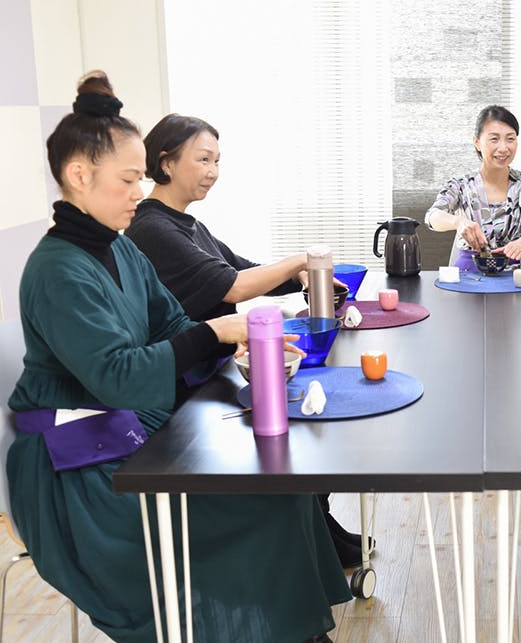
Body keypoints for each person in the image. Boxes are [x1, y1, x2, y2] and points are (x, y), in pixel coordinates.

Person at [5, 71, 350, 643]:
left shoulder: (120, 248)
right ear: (79, 176)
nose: (139, 192)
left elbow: (170, 324)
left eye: (140, 177)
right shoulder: (58, 270)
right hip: (77, 468)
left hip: (126, 428)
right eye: (128, 179)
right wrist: (215, 331)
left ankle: (295, 632)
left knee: (278, 485)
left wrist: (231, 338)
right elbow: (118, 377)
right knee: (260, 502)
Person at [125, 113, 370, 569]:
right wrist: (300, 260)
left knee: (313, 414)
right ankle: (308, 538)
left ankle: (318, 527)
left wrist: (298, 276)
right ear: (166, 162)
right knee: (302, 425)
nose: (213, 171)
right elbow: (234, 287)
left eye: (217, 161)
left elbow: (240, 268)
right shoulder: (152, 229)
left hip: (212, 368)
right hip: (184, 387)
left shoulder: (186, 225)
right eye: (203, 159)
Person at [425, 105, 521, 270]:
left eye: (510, 139)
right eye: (494, 139)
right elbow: (432, 216)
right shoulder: (460, 184)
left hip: (516, 273)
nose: (503, 148)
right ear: (477, 142)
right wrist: (458, 222)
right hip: (468, 273)